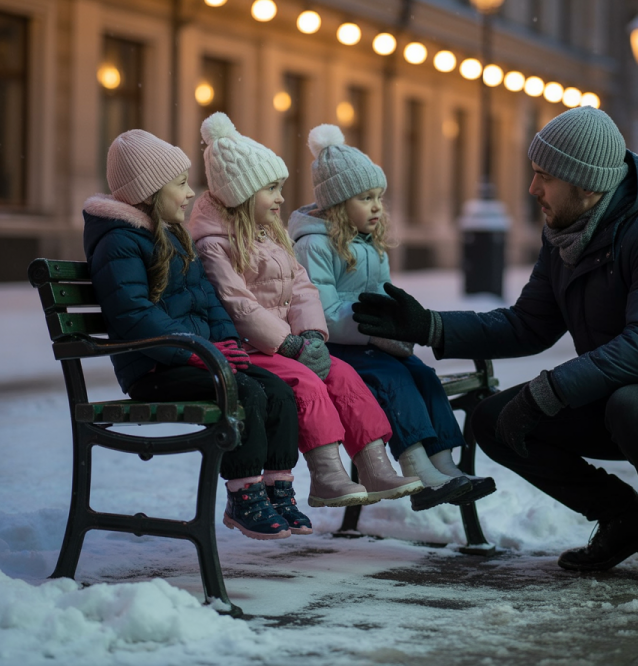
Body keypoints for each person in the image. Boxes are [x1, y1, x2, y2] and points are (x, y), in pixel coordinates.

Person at [352, 106, 638, 589]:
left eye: (544, 176)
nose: (532, 189)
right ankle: (625, 518)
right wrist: (430, 325)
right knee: (493, 421)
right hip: (623, 390)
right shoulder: (568, 232)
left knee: (637, 407)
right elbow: (529, 325)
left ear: (584, 184)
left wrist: (549, 390)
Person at [187, 113, 422, 511]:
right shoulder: (215, 246)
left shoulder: (269, 234)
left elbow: (302, 288)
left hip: (288, 343)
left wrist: (312, 334)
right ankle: (327, 474)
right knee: (307, 383)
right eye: (272, 189)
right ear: (243, 194)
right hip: (254, 348)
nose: (281, 198)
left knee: (343, 376)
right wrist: (290, 344)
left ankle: (373, 465)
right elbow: (239, 306)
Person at [83, 128, 309, 540]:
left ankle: (278, 487)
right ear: (150, 192)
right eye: (180, 184)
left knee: (276, 388)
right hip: (154, 369)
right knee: (246, 391)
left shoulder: (172, 236)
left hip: (197, 357)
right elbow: (133, 314)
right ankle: (244, 495)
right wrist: (196, 351)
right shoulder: (120, 242)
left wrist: (222, 342)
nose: (190, 193)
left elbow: (208, 299)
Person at [288, 124, 495, 511]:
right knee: (394, 377)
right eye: (366, 198)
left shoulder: (371, 244)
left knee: (422, 373)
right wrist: (373, 333)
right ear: (337, 203)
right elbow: (322, 314)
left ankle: (445, 464)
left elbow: (384, 296)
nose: (377, 207)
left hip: (372, 343)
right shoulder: (314, 244)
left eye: (378, 197)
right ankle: (416, 466)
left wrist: (398, 324)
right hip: (338, 350)